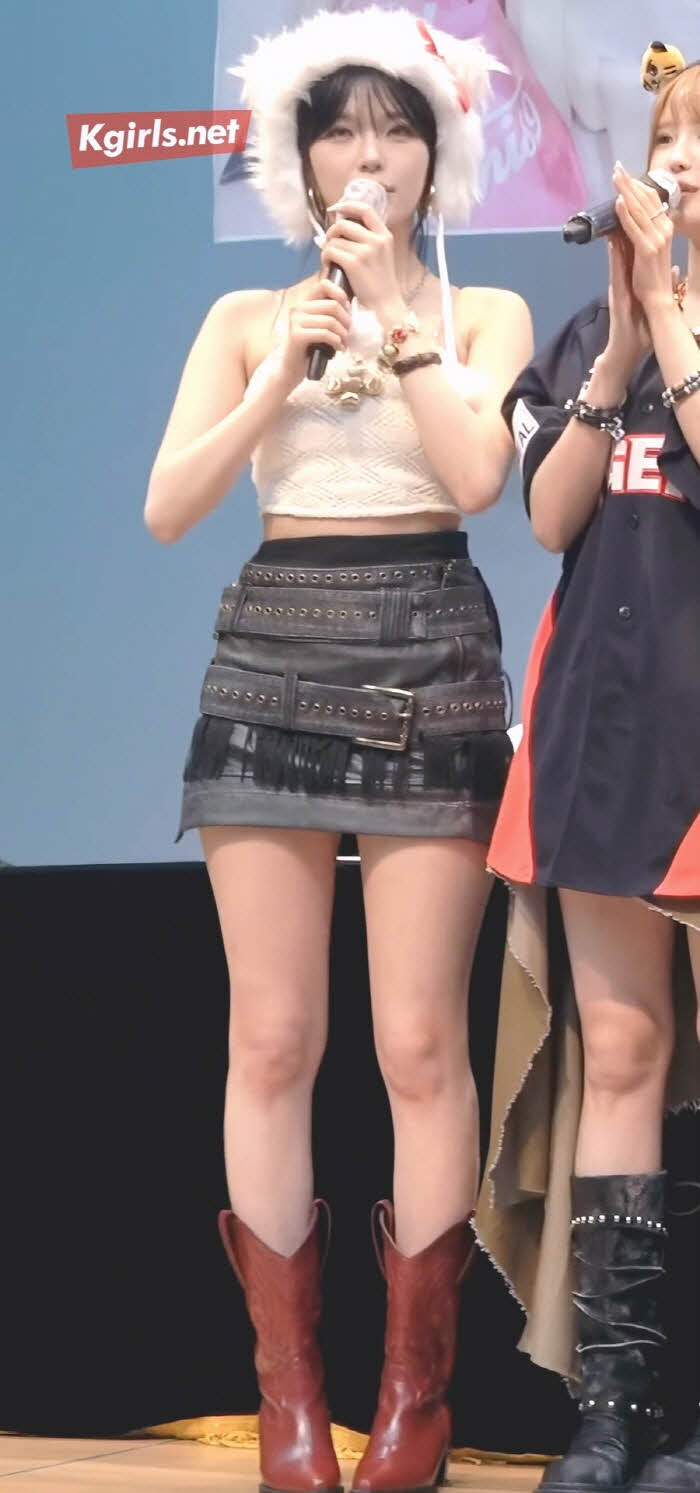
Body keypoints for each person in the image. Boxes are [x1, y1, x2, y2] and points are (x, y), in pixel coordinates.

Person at [144, 9, 532, 1492]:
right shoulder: (247, 318)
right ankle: (290, 1398)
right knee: (270, 1037)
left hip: (431, 648)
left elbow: (481, 476)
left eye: (396, 129)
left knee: (420, 1044)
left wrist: (395, 319)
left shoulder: (484, 311)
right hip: (271, 653)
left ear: (436, 156)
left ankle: (418, 1396)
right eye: (341, 130)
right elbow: (169, 507)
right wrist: (279, 372)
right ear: (298, 159)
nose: (369, 155)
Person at [474, 49, 700, 1493]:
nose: (676, 166)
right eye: (670, 141)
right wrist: (618, 354)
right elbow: (551, 516)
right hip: (607, 740)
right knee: (620, 1054)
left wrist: (673, 314)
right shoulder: (583, 337)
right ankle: (620, 1414)